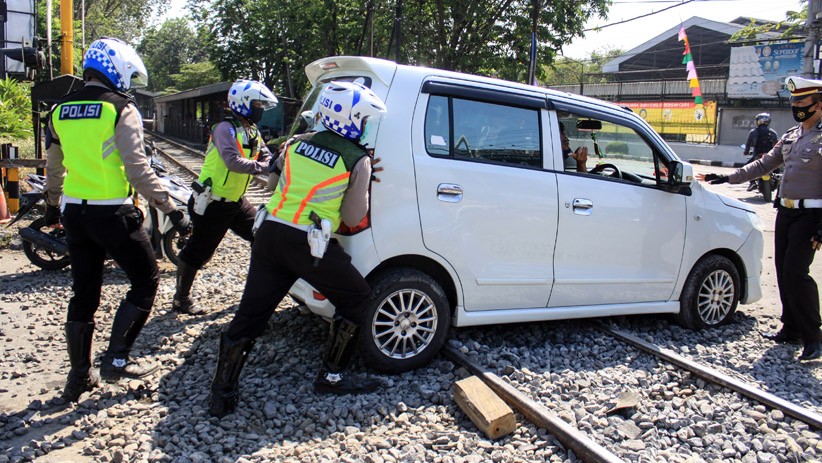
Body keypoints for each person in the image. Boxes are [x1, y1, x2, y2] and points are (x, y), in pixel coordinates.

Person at [208, 81, 387, 418]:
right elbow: (352, 215)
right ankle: (331, 377)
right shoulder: (357, 158)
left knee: (250, 315)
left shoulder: (293, 144)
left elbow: (273, 184)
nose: (365, 126)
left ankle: (222, 394)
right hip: (310, 244)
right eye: (363, 120)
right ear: (351, 119)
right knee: (358, 297)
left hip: (270, 234)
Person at [44, 37, 192, 402]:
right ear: (118, 70)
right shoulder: (120, 108)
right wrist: (171, 209)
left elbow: (53, 169)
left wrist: (51, 206)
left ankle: (79, 377)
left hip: (75, 214)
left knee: (84, 292)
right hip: (112, 212)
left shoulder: (58, 110)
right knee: (145, 280)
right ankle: (117, 357)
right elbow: (138, 170)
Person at [697, 75, 822, 362]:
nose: (796, 106)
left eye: (801, 102)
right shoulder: (792, 135)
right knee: (781, 269)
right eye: (793, 102)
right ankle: (791, 329)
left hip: (812, 215)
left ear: (818, 104)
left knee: (796, 272)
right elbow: (763, 164)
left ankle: (814, 336)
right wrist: (725, 177)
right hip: (787, 212)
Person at [171, 79, 277, 315]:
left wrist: (270, 162)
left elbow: (266, 155)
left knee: (262, 236)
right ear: (244, 103)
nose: (260, 108)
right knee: (198, 253)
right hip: (213, 202)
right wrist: (265, 168)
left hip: (235, 202)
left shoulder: (251, 130)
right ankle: (181, 299)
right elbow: (233, 161)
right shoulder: (224, 129)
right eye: (258, 103)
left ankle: (257, 294)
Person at [742, 112, 779, 191]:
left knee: (746, 168)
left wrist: (746, 152)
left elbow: (748, 144)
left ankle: (752, 182)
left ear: (757, 121)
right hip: (770, 156)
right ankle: (777, 183)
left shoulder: (753, 132)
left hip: (757, 156)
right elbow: (777, 145)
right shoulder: (773, 132)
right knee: (777, 169)